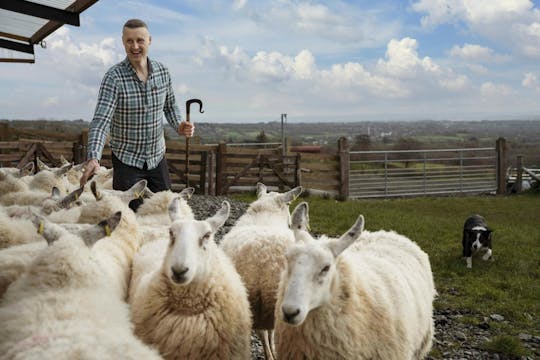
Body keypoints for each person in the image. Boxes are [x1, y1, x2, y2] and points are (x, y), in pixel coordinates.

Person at [80, 18, 194, 211]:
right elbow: (101, 121)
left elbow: (170, 106)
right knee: (129, 215)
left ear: (150, 40)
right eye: (129, 41)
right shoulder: (113, 77)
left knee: (165, 210)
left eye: (140, 40)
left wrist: (179, 125)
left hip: (157, 158)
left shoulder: (163, 72)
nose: (135, 46)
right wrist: (93, 157)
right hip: (127, 162)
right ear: (123, 42)